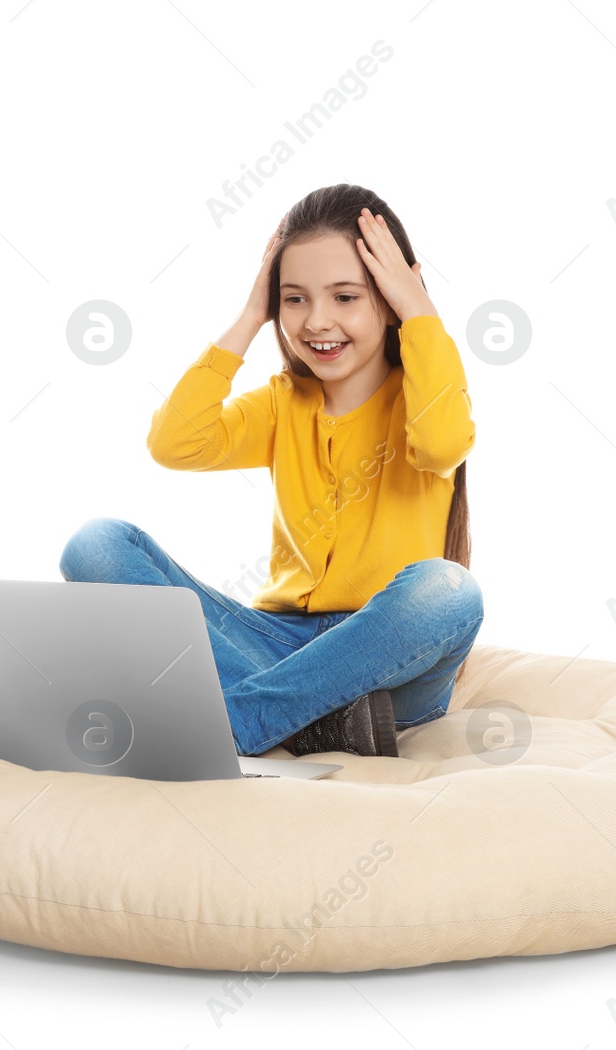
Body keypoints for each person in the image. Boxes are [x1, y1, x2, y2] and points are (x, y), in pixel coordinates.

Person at [59, 183, 481, 759]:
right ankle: (309, 719)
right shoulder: (282, 404)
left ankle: (238, 719)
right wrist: (250, 316)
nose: (316, 322)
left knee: (449, 591)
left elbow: (442, 443)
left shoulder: (427, 398)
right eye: (295, 299)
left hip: (387, 667)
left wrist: (421, 312)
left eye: (346, 296)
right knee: (96, 543)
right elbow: (173, 443)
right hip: (277, 647)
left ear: (389, 297)